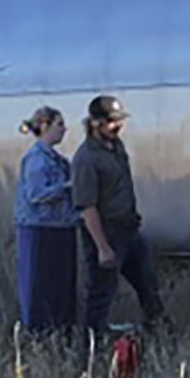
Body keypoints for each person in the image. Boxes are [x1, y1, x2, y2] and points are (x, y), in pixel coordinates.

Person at [72, 94, 165, 338]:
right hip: (107, 232)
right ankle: (91, 345)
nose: (118, 126)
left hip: (129, 229)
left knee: (148, 283)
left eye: (119, 120)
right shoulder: (86, 159)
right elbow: (87, 208)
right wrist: (102, 247)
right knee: (102, 293)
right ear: (95, 123)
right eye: (112, 122)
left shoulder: (116, 146)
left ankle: (160, 331)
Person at [14, 105, 78, 334]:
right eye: (59, 124)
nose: (64, 129)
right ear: (44, 126)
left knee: (59, 289)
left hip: (59, 228)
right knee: (41, 287)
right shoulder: (37, 160)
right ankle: (39, 332)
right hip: (40, 229)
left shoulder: (58, 160)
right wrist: (68, 187)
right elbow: (37, 194)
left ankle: (59, 330)